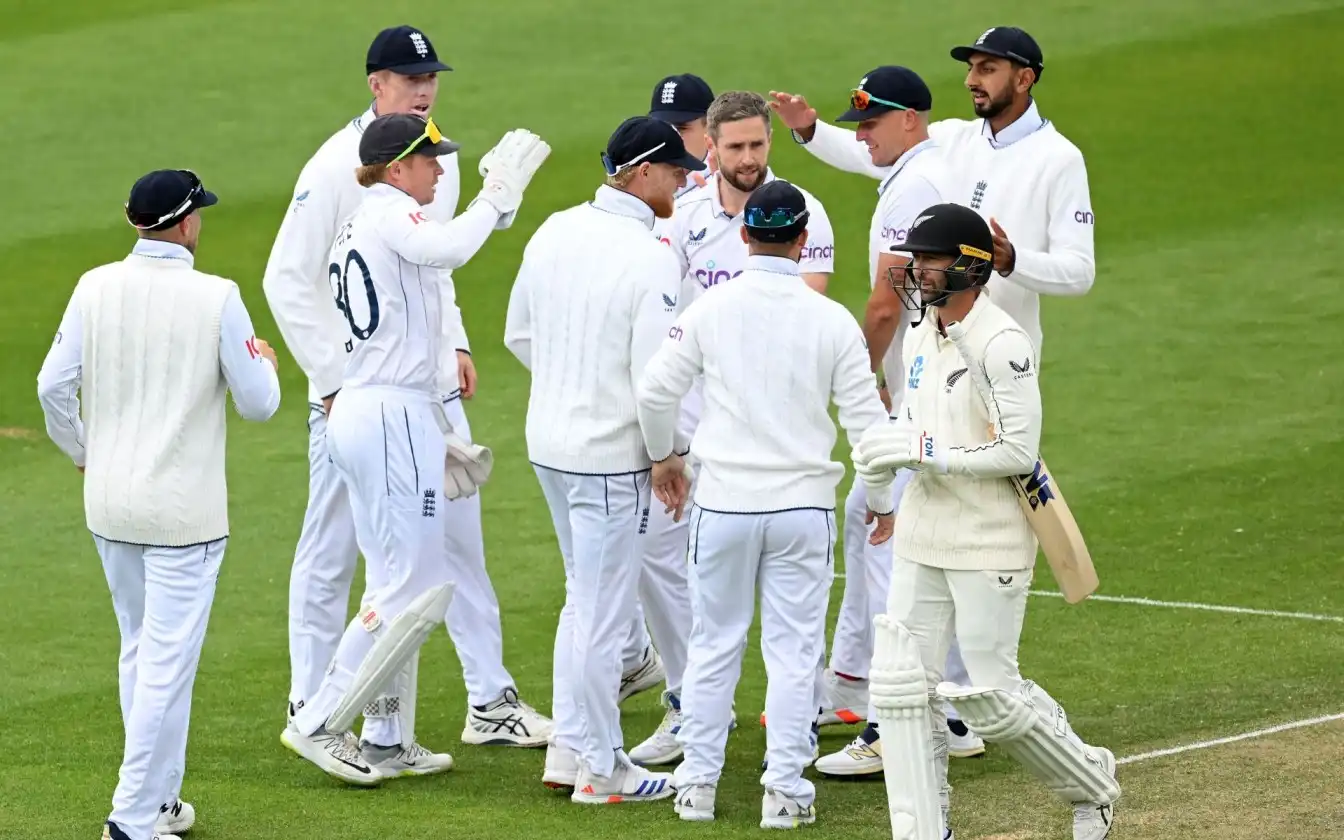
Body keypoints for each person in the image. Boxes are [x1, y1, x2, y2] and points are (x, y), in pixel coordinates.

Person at [262, 24, 553, 750]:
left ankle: (486, 700)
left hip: (419, 388)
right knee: (338, 552)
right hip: (358, 392)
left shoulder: (429, 156)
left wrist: (453, 340)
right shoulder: (339, 165)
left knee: (452, 547)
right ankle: (312, 702)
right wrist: (333, 381)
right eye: (409, 78)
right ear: (377, 84)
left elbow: (428, 263)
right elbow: (285, 279)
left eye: (431, 78)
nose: (424, 90)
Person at [852, 203, 1118, 840]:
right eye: (915, 259)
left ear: (970, 268)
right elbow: (915, 425)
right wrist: (886, 482)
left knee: (993, 697)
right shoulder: (922, 332)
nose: (917, 271)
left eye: (931, 260)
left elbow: (1018, 453)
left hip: (987, 537)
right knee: (902, 691)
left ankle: (1093, 787)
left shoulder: (1003, 343)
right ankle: (925, 831)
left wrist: (925, 453)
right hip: (923, 532)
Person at [635, 180, 894, 827]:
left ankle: (697, 786)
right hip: (803, 510)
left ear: (746, 236)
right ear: (803, 240)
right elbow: (868, 425)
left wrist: (666, 456)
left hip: (723, 506)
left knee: (712, 645)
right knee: (795, 652)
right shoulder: (831, 320)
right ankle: (784, 792)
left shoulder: (710, 308)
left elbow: (654, 392)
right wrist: (882, 499)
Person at [36, 170, 281, 840]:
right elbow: (260, 404)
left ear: (133, 219)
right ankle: (131, 818)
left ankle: (161, 800)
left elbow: (52, 386)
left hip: (110, 504)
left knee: (142, 652)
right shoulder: (218, 296)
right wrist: (266, 363)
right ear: (188, 222)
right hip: (182, 515)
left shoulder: (93, 285)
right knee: (164, 666)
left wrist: (83, 449)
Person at [768, 67, 987, 777]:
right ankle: (934, 703)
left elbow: (888, 299)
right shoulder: (916, 167)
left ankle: (912, 718)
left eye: (871, 122)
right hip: (932, 383)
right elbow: (864, 158)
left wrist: (859, 374)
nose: (862, 135)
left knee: (892, 536)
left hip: (918, 395)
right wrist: (810, 132)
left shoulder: (916, 184)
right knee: (883, 521)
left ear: (911, 120)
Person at [624, 89, 837, 769]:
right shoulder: (682, 217)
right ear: (709, 148)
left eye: (758, 144)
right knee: (662, 560)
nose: (749, 158)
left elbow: (807, 306)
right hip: (691, 419)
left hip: (770, 426)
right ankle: (686, 705)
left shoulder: (801, 210)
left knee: (786, 587)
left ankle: (801, 715)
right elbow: (660, 308)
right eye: (735, 147)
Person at [503, 116, 704, 804]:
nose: (684, 181)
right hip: (609, 459)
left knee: (584, 600)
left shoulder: (553, 228)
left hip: (551, 446)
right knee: (603, 613)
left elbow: (518, 334)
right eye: (675, 171)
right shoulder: (651, 256)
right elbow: (654, 380)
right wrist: (668, 454)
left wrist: (572, 385)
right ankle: (602, 768)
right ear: (642, 173)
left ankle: (571, 751)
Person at [615, 71, 720, 702]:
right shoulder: (653, 203)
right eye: (668, 127)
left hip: (722, 396)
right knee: (656, 545)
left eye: (686, 127)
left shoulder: (735, 198)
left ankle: (802, 694)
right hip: (670, 390)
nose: (676, 138)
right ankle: (686, 692)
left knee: (738, 552)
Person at [649, 72, 716, 196]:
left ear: (710, 128)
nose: (668, 139)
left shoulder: (729, 186)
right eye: (662, 127)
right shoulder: (638, 181)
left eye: (681, 129)